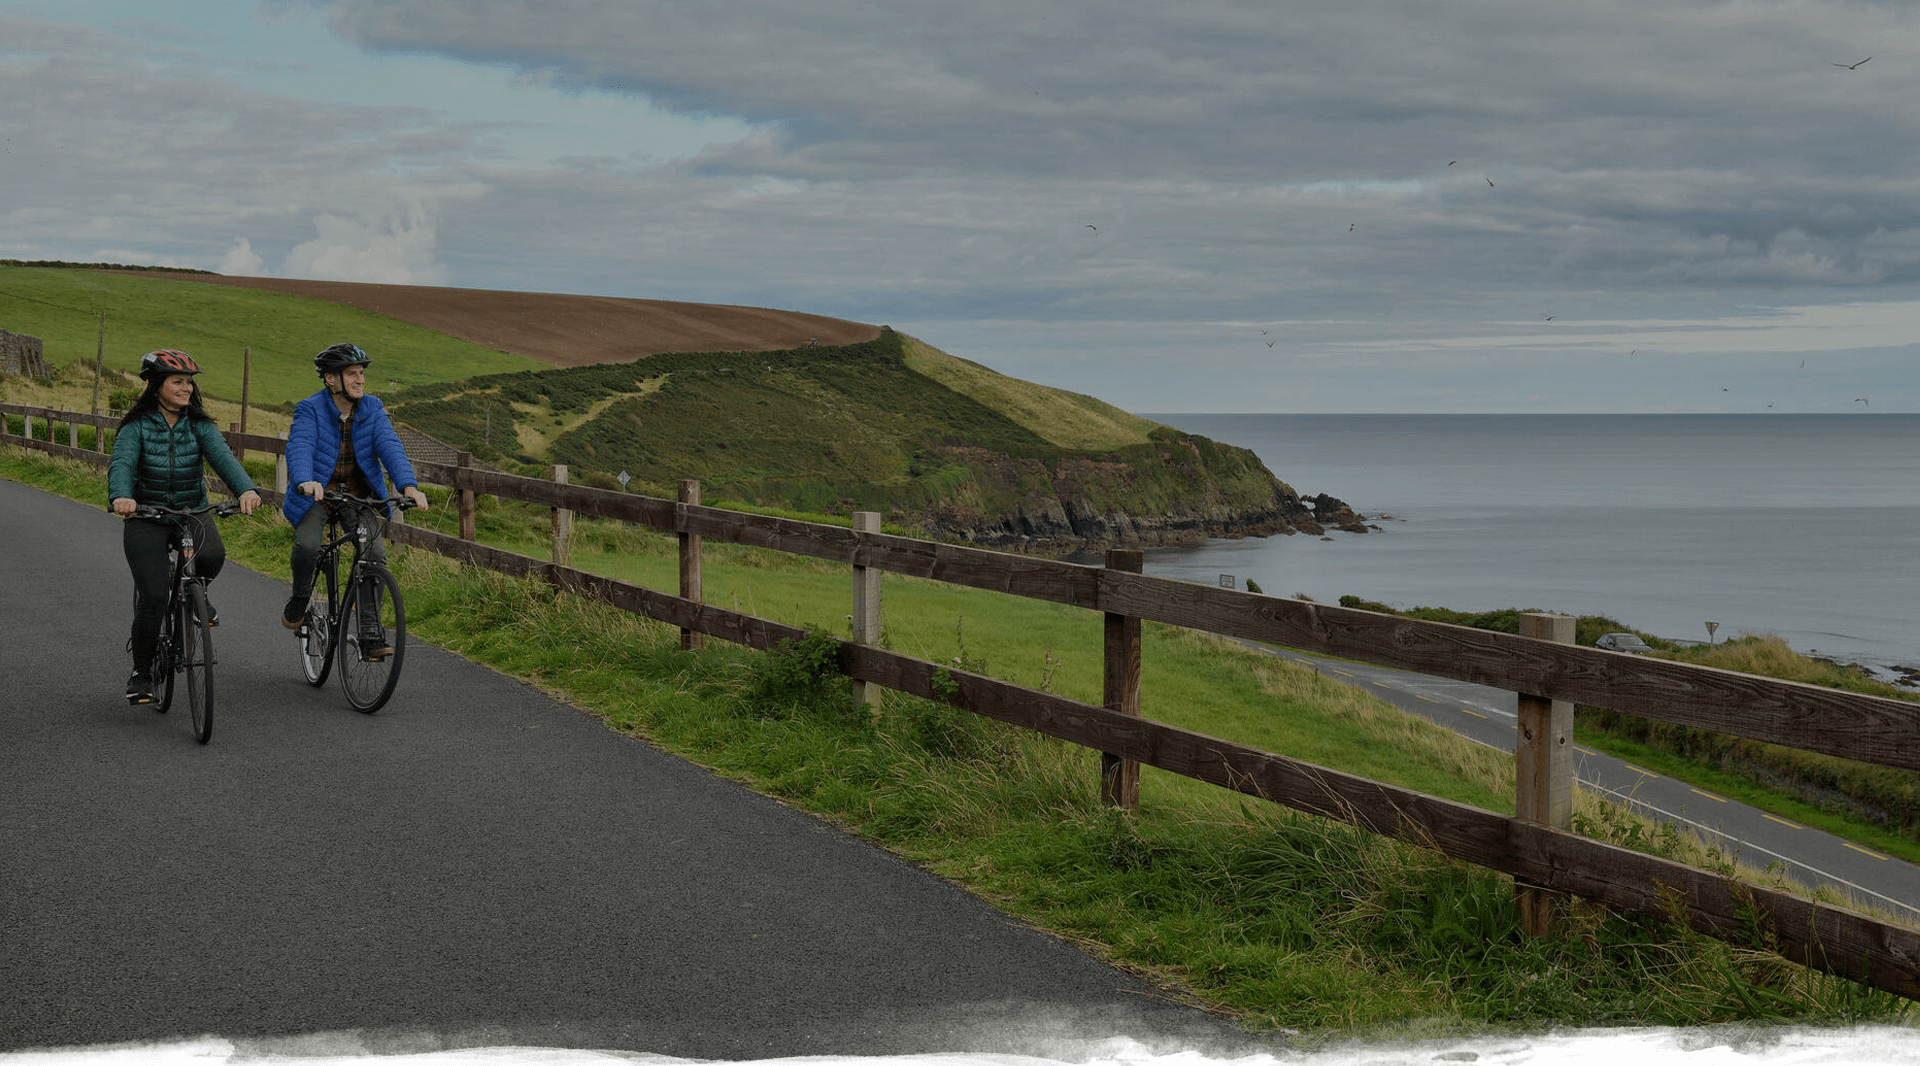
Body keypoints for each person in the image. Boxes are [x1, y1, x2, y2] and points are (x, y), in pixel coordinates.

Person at [108, 349, 262, 703]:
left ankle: (196, 595)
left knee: (212, 555)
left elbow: (224, 458)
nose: (186, 388)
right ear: (156, 385)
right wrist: (121, 496)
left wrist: (246, 489)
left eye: (189, 382)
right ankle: (142, 672)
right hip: (147, 515)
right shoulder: (136, 426)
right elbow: (122, 463)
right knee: (154, 597)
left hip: (191, 511)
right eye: (177, 381)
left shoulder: (199, 425)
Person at [281, 343, 430, 659]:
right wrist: (304, 480)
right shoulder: (310, 409)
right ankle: (300, 599)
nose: (360, 380)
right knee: (307, 546)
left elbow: (390, 446)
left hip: (356, 497)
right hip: (317, 495)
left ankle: (370, 635)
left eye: (361, 373)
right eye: (351, 374)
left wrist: (409, 486)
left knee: (373, 556)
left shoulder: (372, 408)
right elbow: (300, 446)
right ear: (330, 379)